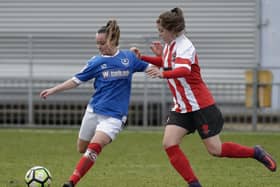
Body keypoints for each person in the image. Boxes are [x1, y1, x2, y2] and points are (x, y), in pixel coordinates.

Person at [131, 7, 277, 187]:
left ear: (173, 30)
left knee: (216, 150)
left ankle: (256, 152)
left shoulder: (186, 46)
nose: (159, 35)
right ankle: (194, 184)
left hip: (200, 105)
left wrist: (162, 73)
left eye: (161, 31)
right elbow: (167, 62)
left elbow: (184, 69)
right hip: (182, 107)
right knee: (169, 143)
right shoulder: (169, 46)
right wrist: (143, 58)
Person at [39, 20, 153, 187]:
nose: (99, 47)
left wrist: (161, 65)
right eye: (97, 43)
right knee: (81, 148)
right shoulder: (96, 62)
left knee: (94, 148)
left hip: (114, 116)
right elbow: (75, 80)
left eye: (102, 43)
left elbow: (151, 66)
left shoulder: (129, 58)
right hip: (93, 111)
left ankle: (71, 182)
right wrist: (53, 90)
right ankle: (97, 144)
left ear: (113, 40)